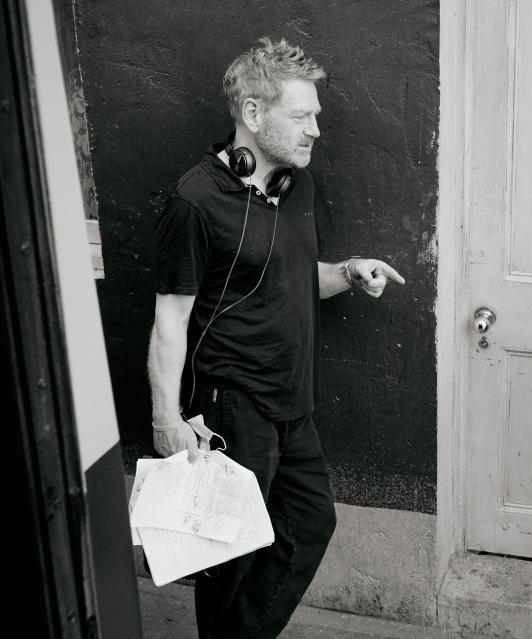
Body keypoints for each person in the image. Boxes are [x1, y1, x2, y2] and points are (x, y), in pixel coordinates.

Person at [146, 37, 405, 639]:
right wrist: (165, 417)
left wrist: (347, 271)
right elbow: (170, 317)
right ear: (253, 115)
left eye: (317, 115)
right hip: (232, 408)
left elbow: (290, 277)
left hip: (294, 404)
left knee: (309, 524)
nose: (316, 129)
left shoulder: (296, 187)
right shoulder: (195, 200)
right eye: (302, 115)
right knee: (227, 558)